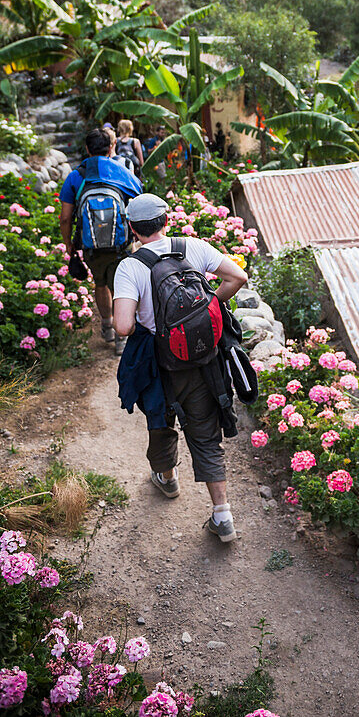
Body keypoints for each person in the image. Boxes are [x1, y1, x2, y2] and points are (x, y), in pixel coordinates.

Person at [112, 193, 247, 544]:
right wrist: (207, 308)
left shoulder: (130, 267)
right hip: (203, 359)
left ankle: (168, 479)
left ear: (131, 228)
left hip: (160, 365)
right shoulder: (193, 247)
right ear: (165, 221)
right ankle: (223, 516)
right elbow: (237, 277)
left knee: (160, 423)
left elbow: (124, 327)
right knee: (205, 434)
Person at [59, 128, 142, 350]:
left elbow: (66, 218)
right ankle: (122, 338)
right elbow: (139, 200)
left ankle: (107, 326)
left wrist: (69, 244)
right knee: (121, 287)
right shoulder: (121, 171)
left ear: (87, 149)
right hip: (121, 244)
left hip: (90, 244)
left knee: (100, 283)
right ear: (111, 147)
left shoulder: (76, 176)